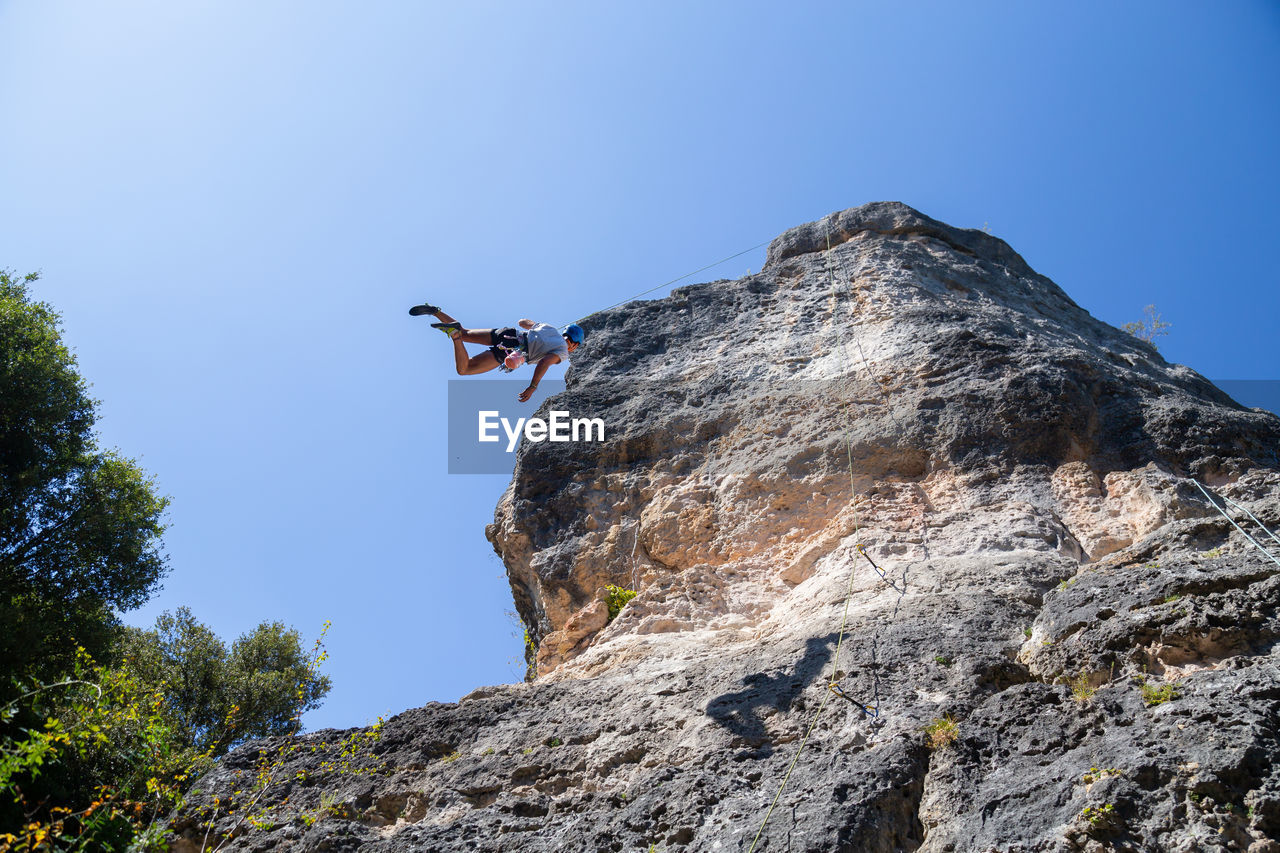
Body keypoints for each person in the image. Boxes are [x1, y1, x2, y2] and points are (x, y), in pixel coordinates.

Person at [409, 302, 584, 402]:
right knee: (465, 369)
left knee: (466, 333)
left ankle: (436, 311)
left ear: (565, 333)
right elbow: (545, 362)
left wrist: (535, 325)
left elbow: (522, 322)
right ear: (574, 345)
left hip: (507, 333)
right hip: (509, 351)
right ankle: (454, 336)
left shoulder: (549, 328)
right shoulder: (563, 352)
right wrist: (532, 387)